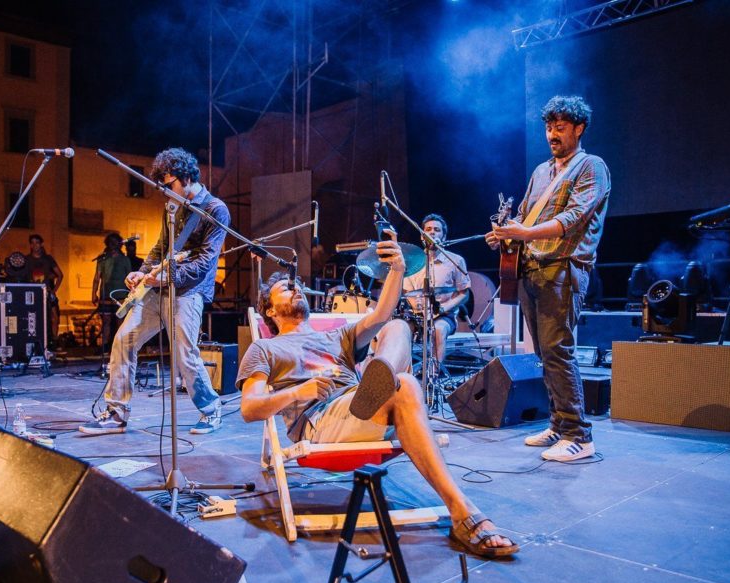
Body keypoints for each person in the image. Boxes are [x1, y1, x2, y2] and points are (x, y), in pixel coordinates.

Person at [238, 235, 519, 559]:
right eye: (286, 288)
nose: (296, 288)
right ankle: (463, 512)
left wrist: (397, 268)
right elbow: (249, 408)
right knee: (407, 384)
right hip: (321, 418)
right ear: (270, 310)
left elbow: (382, 313)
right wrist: (299, 391)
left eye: (298, 285)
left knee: (398, 326)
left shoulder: (337, 336)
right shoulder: (265, 348)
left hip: (358, 403)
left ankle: (380, 378)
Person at [485, 95, 610, 461]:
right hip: (532, 268)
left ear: (579, 128)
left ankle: (578, 435)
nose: (552, 135)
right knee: (544, 353)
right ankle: (558, 424)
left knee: (559, 350)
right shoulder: (541, 171)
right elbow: (525, 215)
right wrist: (505, 233)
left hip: (564, 268)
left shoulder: (591, 166)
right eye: (549, 128)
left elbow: (573, 218)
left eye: (560, 128)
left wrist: (524, 233)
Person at [80, 148, 226, 436]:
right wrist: (144, 272)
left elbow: (204, 263)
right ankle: (117, 413)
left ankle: (211, 409)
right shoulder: (172, 205)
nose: (166, 193)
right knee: (124, 339)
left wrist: (165, 278)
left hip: (189, 291)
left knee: (184, 354)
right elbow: (161, 246)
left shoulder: (215, 210)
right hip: (158, 289)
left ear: (186, 178)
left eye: (169, 185)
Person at [402, 214, 471, 375]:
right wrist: (419, 308)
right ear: (422, 235)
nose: (432, 232)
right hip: (418, 315)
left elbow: (464, 293)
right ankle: (405, 376)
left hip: (444, 315)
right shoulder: (413, 262)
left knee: (438, 330)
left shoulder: (455, 260)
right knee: (401, 329)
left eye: (437, 230)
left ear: (444, 236)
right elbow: (408, 293)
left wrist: (443, 308)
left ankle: (433, 376)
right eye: (428, 229)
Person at [91, 232, 132, 354]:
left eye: (115, 242)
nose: (113, 245)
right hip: (106, 295)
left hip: (121, 296)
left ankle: (120, 347)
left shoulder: (125, 260)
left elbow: (130, 277)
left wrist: (131, 295)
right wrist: (93, 294)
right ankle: (105, 347)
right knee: (106, 323)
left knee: (121, 322)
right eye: (110, 242)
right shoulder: (102, 259)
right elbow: (97, 278)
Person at [23, 233, 64, 344]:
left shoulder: (48, 259)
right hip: (32, 294)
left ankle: (54, 341)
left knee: (54, 317)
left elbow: (60, 275)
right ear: (30, 245)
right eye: (32, 243)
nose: (35, 245)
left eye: (37, 242)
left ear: (41, 244)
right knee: (34, 318)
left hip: (47, 293)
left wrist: (54, 291)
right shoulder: (26, 260)